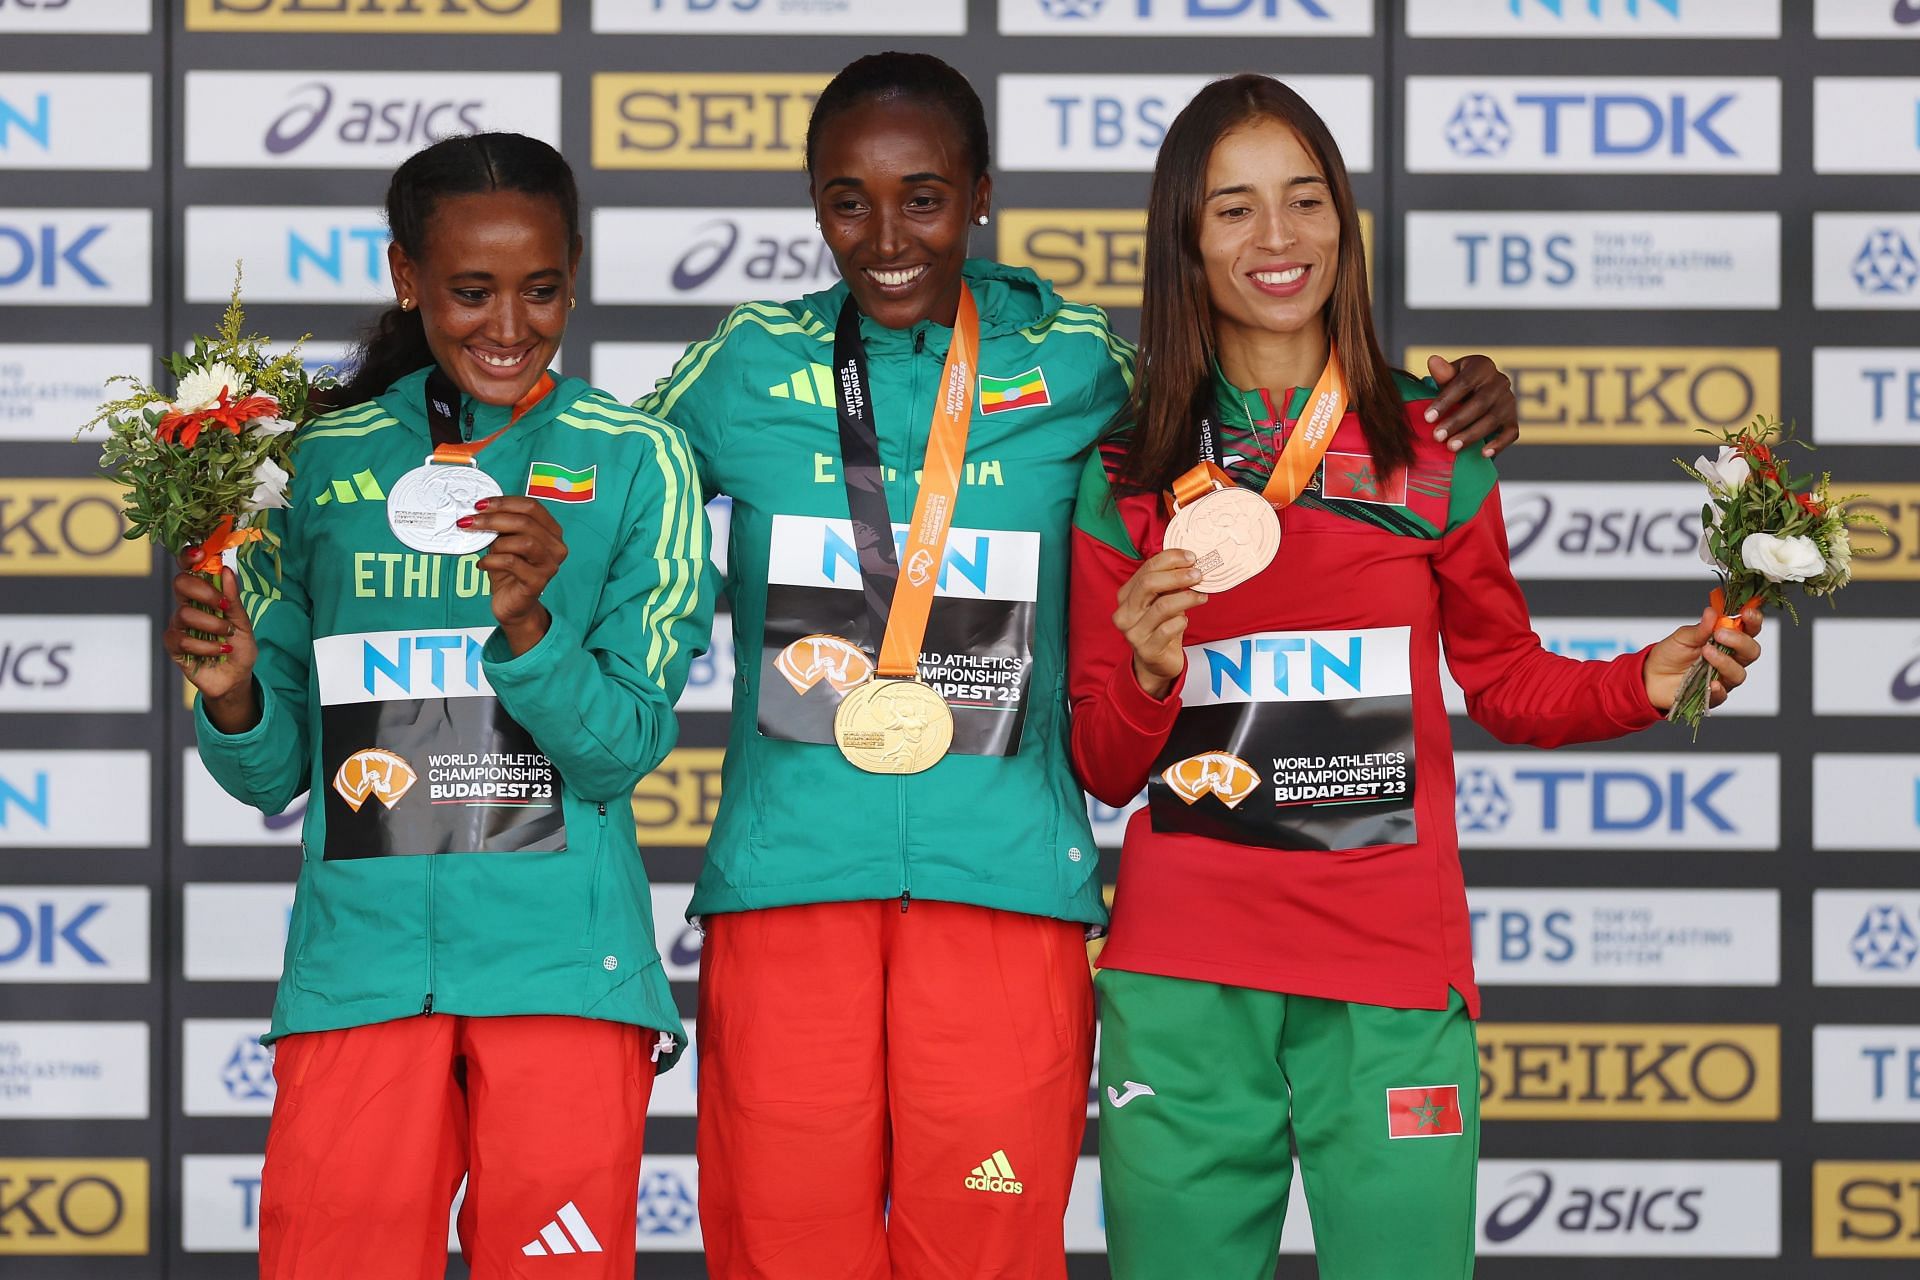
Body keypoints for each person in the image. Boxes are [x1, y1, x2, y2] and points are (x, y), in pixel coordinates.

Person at [637, 53, 1521, 1279]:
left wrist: (1447, 401)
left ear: (984, 194)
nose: (887, 234)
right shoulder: (746, 363)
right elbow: (602, 483)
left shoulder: (1083, 368)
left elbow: (1253, 389)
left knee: (986, 1250)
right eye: (849, 200)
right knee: (786, 1252)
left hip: (1008, 895)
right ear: (816, 205)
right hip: (792, 889)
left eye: (926, 196)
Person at [1067, 75, 1765, 1280]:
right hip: (1182, 979)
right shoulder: (1124, 466)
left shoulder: (1440, 449)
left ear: (1346, 218)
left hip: (1388, 971)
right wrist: (1142, 665)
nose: (1278, 240)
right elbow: (1102, 758)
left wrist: (1645, 680)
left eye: (1305, 200)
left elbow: (1505, 679)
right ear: (1185, 238)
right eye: (1233, 210)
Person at [166, 132, 710, 1280]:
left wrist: (531, 628)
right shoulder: (314, 463)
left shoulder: (637, 459)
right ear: (408, 279)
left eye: (542, 288)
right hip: (361, 969)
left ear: (576, 274)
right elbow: (274, 774)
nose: (507, 324)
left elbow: (620, 752)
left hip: (563, 968)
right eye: (470, 291)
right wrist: (234, 696)